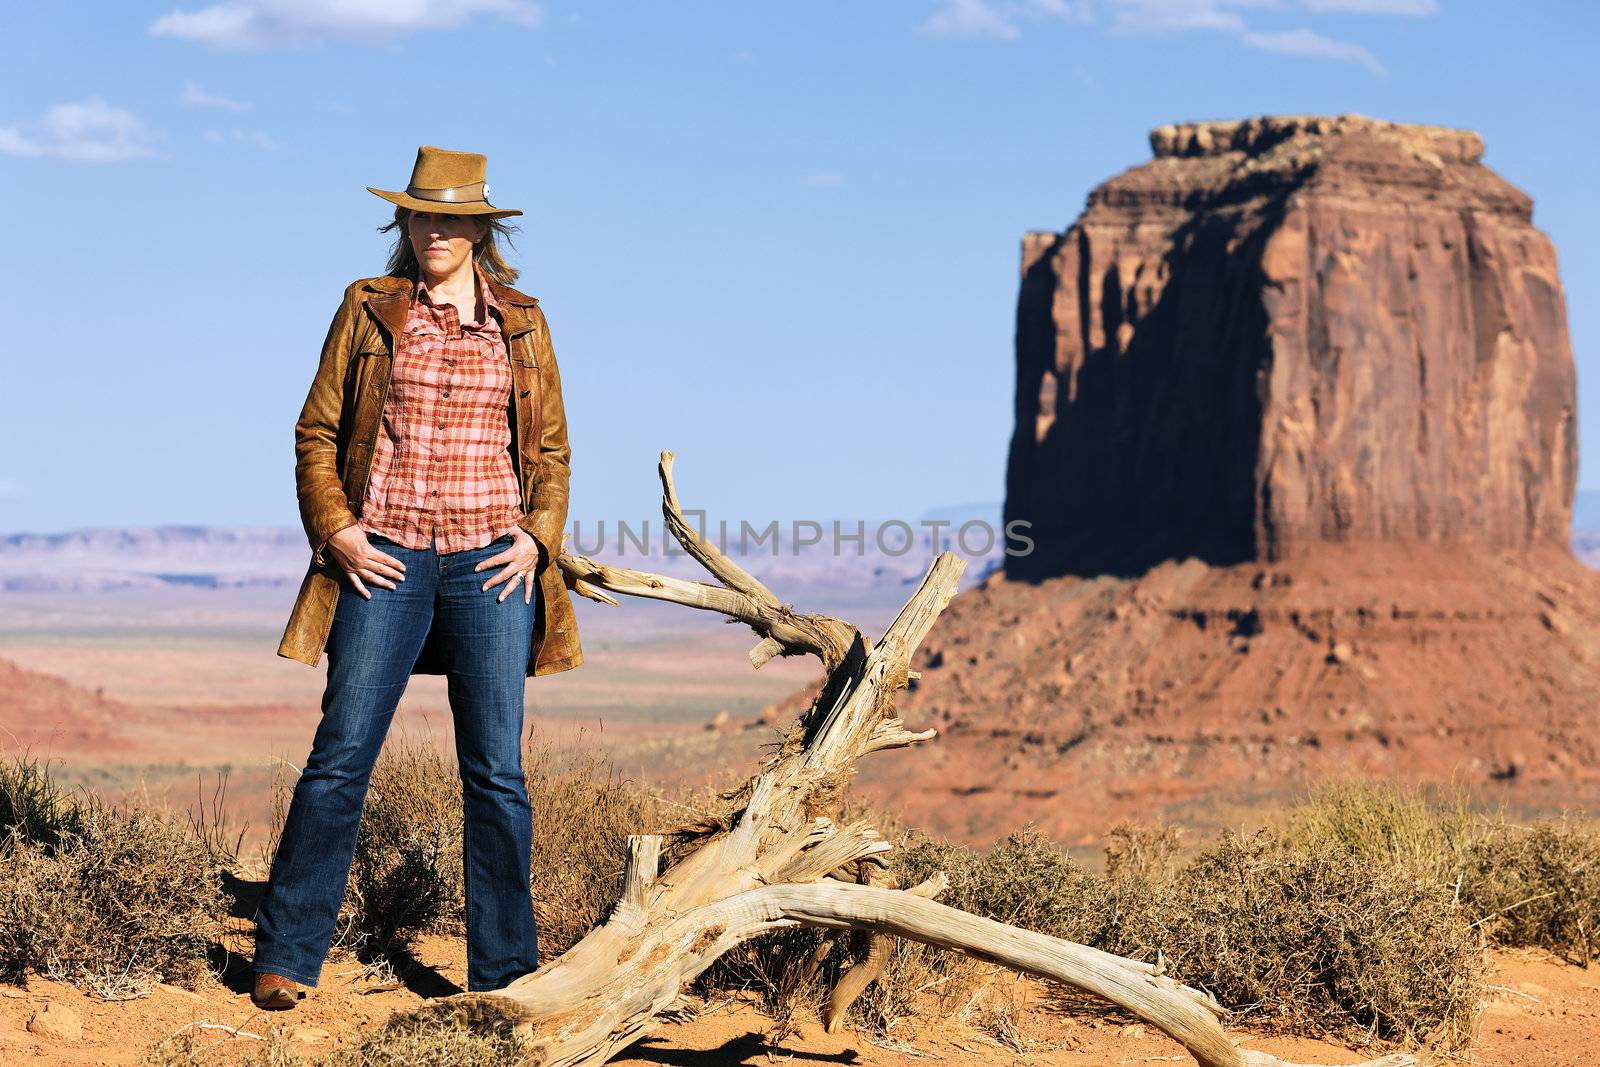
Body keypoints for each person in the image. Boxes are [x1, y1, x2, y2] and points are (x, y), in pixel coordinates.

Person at [252, 145, 584, 1010]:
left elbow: (549, 451)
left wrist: (537, 538)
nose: (433, 230)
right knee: (341, 755)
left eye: (450, 217)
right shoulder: (369, 310)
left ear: (480, 227)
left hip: (489, 564)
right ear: (404, 222)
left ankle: (505, 976)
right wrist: (338, 531)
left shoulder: (522, 321)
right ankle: (287, 955)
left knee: (496, 774)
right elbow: (316, 432)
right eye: (419, 214)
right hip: (383, 559)